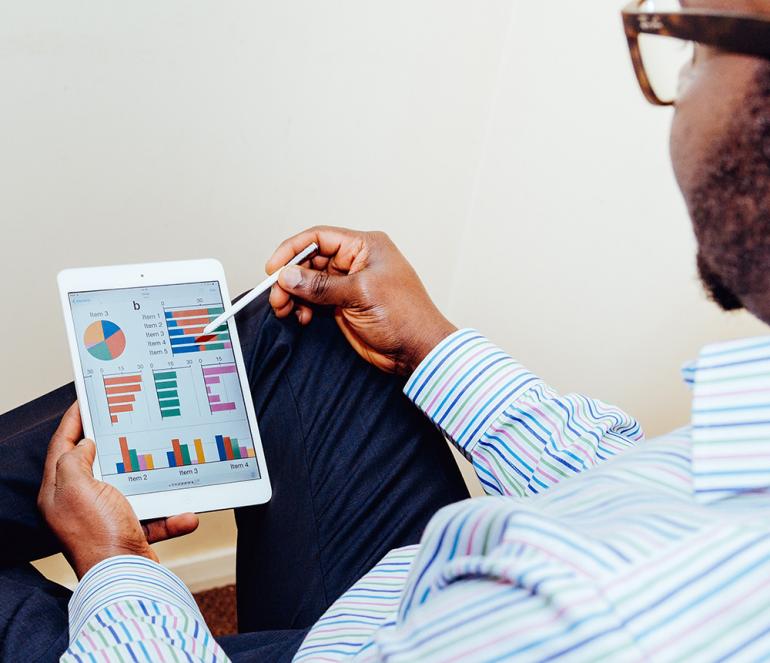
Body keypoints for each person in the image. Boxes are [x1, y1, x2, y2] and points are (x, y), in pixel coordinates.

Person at [3, 0, 770, 660]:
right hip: (404, 604)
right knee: (308, 328)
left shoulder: (596, 621)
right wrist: (432, 342)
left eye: (694, 42)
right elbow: (623, 491)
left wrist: (116, 561)